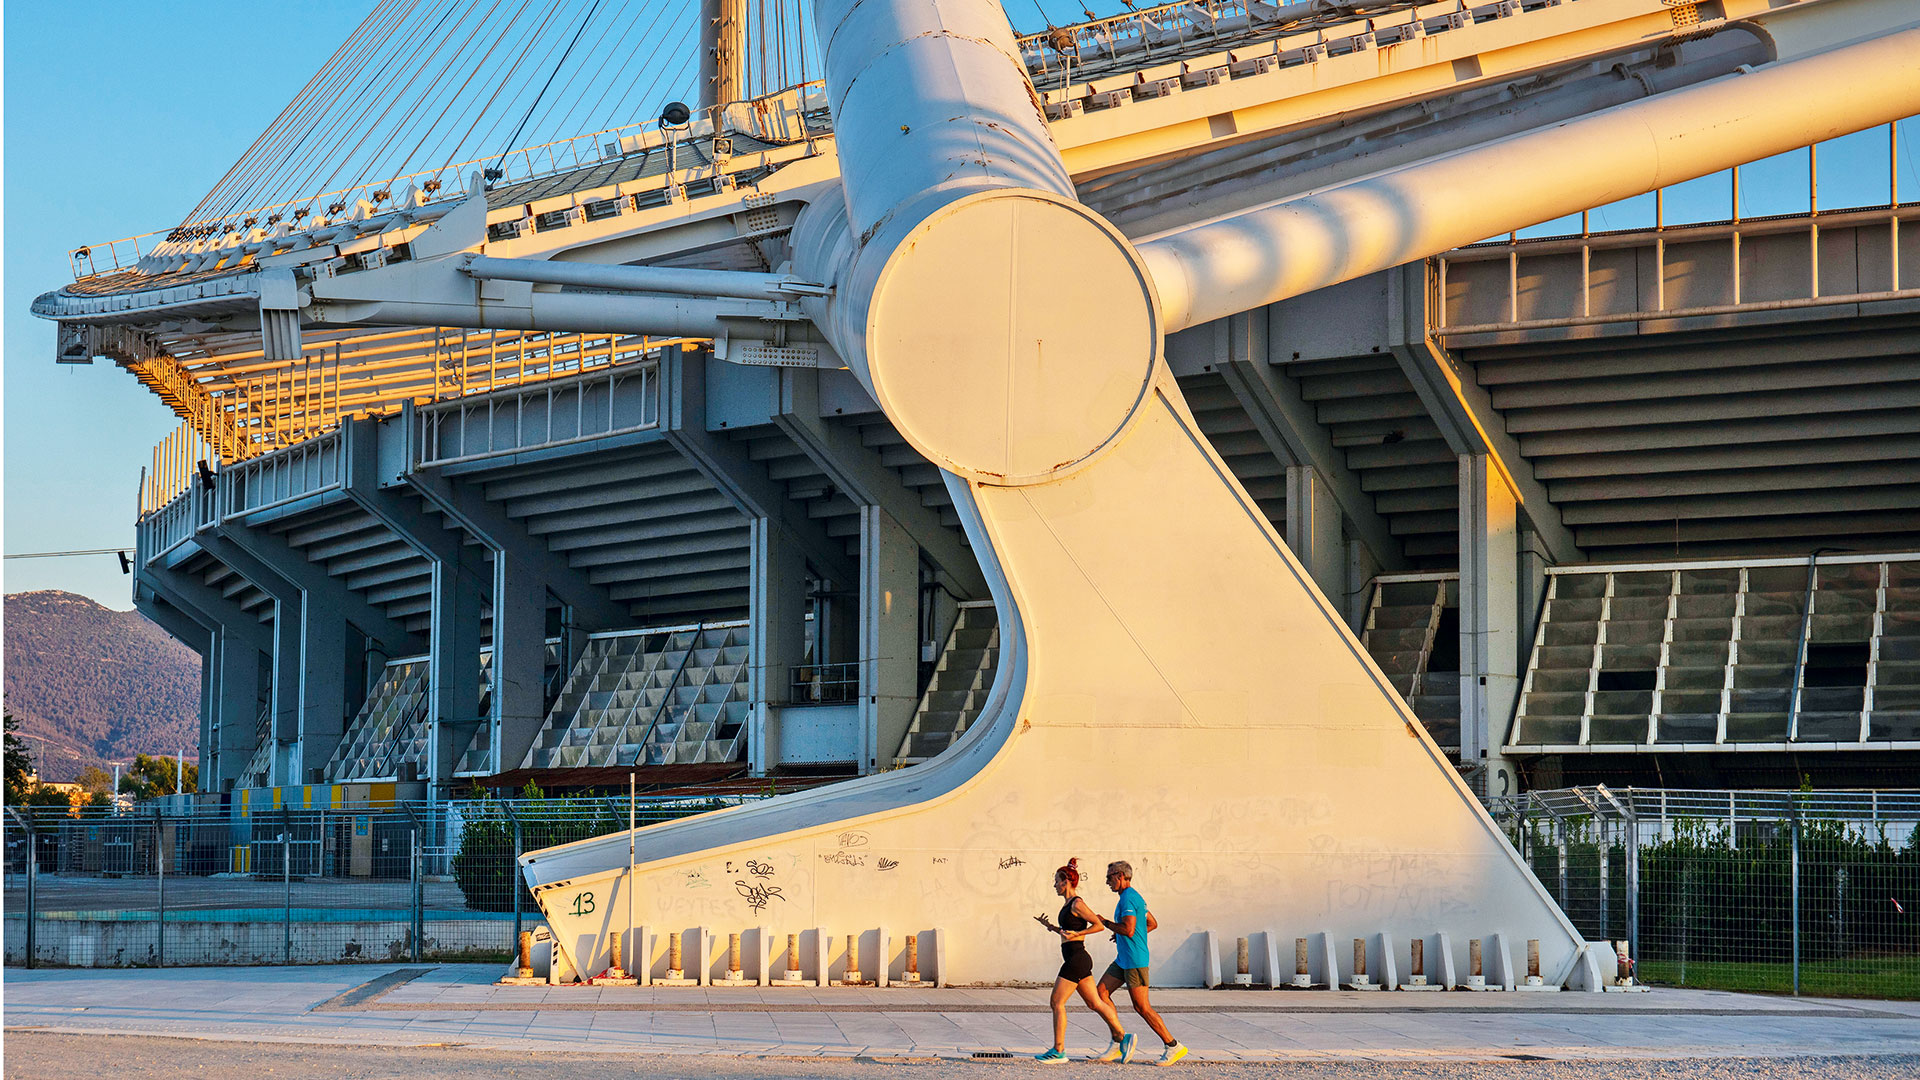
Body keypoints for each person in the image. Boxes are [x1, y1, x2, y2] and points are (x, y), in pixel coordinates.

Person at [1032, 858, 1130, 1064]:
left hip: (1077, 959)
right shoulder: (1068, 904)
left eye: (1056, 881)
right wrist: (1052, 927)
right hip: (1077, 959)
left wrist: (1079, 934)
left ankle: (1059, 1050)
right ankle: (1123, 1036)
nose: (1054, 885)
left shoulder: (1077, 903)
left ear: (1066, 881)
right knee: (1095, 1003)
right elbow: (1069, 931)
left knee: (1056, 1002)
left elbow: (1098, 925)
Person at [1097, 860, 1185, 1065]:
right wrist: (1122, 934)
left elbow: (1128, 929)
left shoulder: (1128, 899)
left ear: (1120, 876)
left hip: (1135, 961)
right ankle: (1118, 1040)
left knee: (1142, 1007)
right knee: (1101, 992)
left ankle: (1173, 1045)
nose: (1107, 881)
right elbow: (1151, 923)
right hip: (1123, 959)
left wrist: (1106, 923)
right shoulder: (1134, 897)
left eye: (1109, 877)